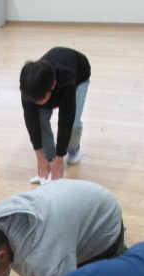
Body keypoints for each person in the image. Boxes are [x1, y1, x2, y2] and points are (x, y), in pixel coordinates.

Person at [20, 47, 91, 182]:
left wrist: (60, 157)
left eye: (40, 100)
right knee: (38, 118)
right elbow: (31, 121)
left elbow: (66, 120)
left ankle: (74, 149)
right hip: (48, 85)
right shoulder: (28, 88)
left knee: (73, 123)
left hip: (79, 75)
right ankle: (50, 156)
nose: (36, 103)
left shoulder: (66, 83)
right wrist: (40, 157)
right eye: (33, 101)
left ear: (52, 85)